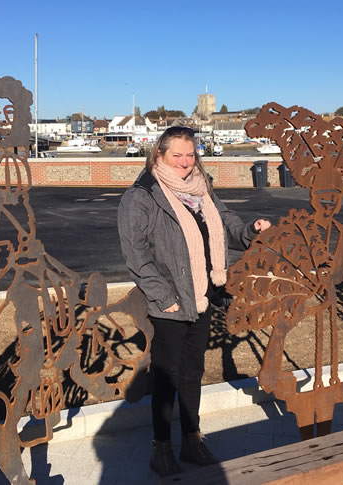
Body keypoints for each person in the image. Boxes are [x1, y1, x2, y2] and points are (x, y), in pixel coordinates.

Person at [118, 126, 270, 476]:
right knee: (167, 376)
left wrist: (251, 230)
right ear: (159, 154)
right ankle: (162, 448)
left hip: (203, 296)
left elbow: (226, 223)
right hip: (170, 303)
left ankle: (191, 439)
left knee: (192, 373)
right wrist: (163, 296)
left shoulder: (201, 187)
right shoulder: (142, 195)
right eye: (178, 155)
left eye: (190, 154)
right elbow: (136, 254)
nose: (186, 162)